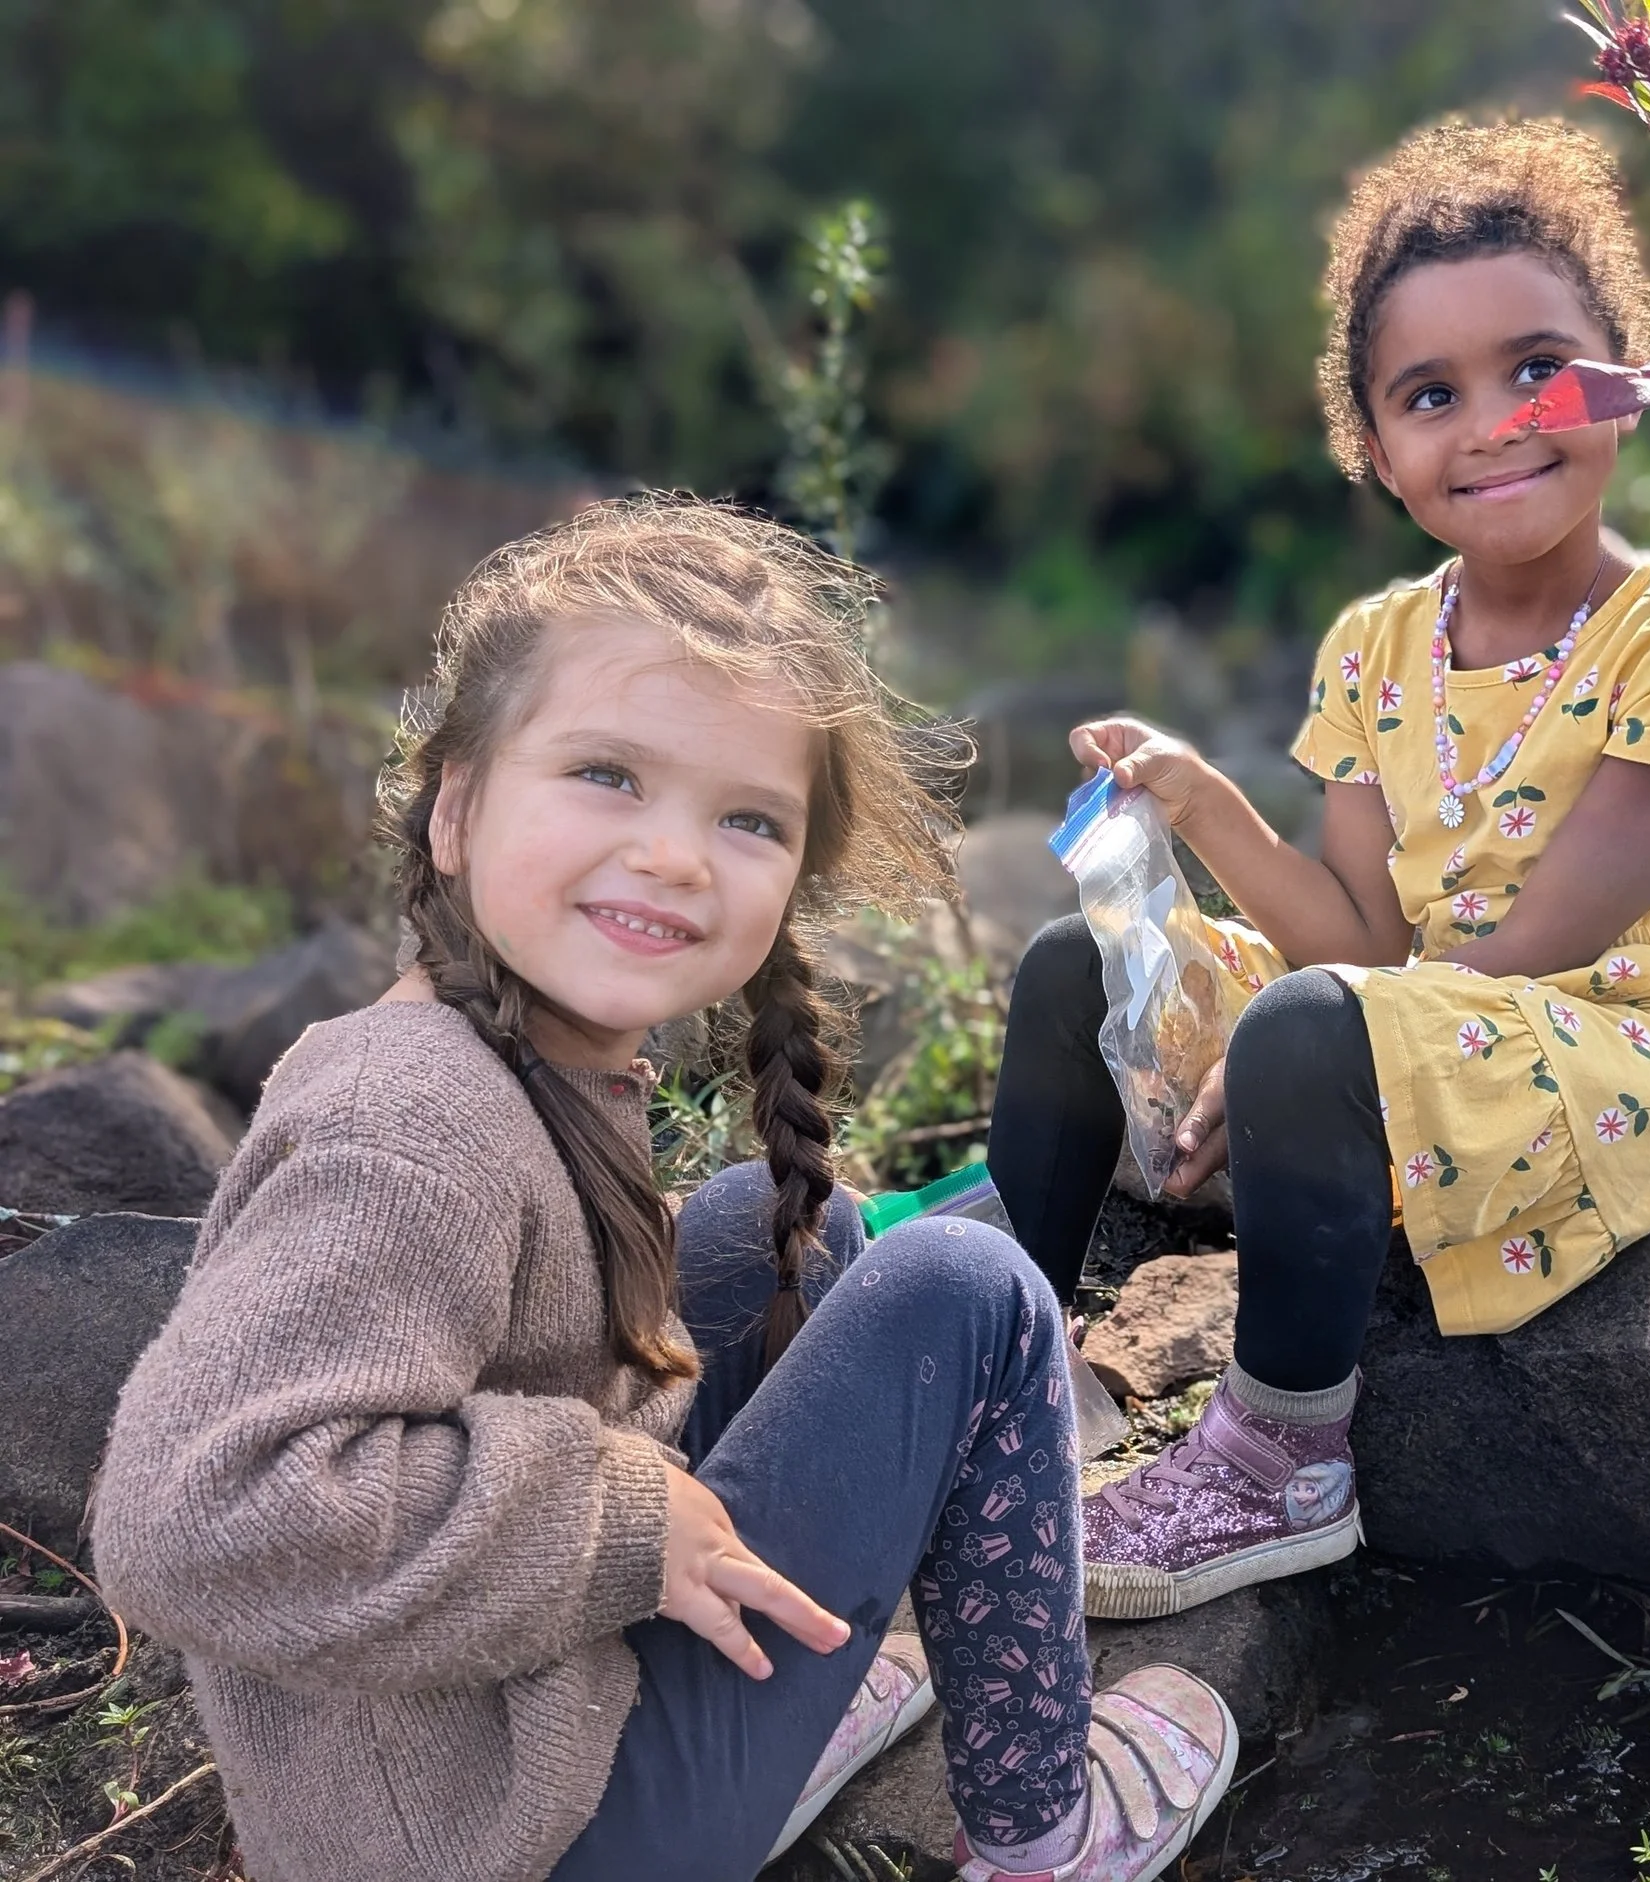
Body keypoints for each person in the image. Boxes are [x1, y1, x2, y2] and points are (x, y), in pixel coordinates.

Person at [90, 498, 1237, 1882]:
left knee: (769, 1228)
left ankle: (779, 1694)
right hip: (523, 1834)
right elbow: (190, 1514)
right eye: (609, 775)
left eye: (746, 815)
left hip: (519, 1734)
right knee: (971, 1288)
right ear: (455, 803)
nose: (677, 853)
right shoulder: (408, 1123)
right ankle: (1049, 1838)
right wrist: (628, 1522)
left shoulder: (525, 1061)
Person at [988, 119, 1650, 1621]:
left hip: (1622, 1046)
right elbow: (1358, 926)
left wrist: (1310, 1048)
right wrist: (1207, 803)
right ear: (1374, 446)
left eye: (1542, 368)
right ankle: (1007, 1367)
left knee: (1313, 1028)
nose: (1493, 423)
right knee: (1076, 963)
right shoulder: (1377, 649)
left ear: (1626, 371)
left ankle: (1282, 1455)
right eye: (1432, 395)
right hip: (1431, 1011)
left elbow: (1548, 940)